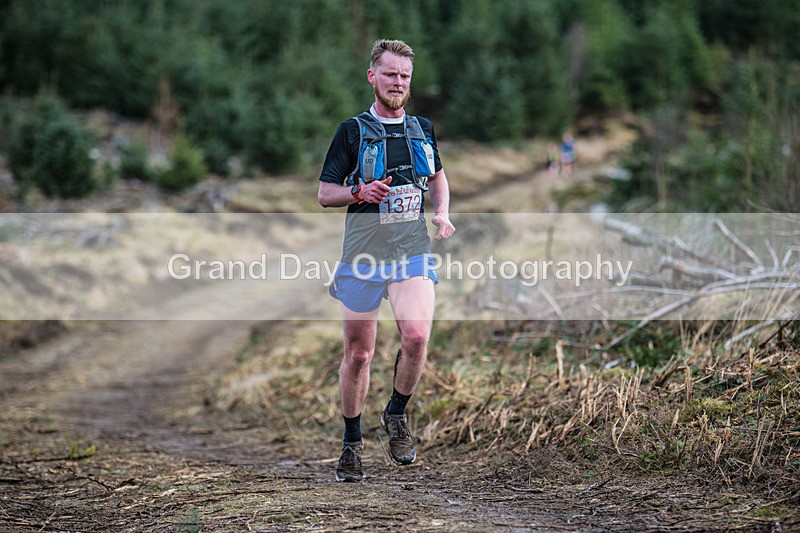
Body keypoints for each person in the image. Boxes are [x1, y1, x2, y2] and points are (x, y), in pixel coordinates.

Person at [318, 39, 455, 482]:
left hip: (411, 249)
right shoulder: (351, 131)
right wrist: (358, 191)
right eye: (391, 74)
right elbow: (325, 194)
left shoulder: (421, 128)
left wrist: (442, 211)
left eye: (405, 76)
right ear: (373, 76)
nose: (398, 82)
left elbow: (437, 176)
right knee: (359, 355)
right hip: (363, 254)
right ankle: (351, 442)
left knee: (416, 336)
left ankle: (396, 413)